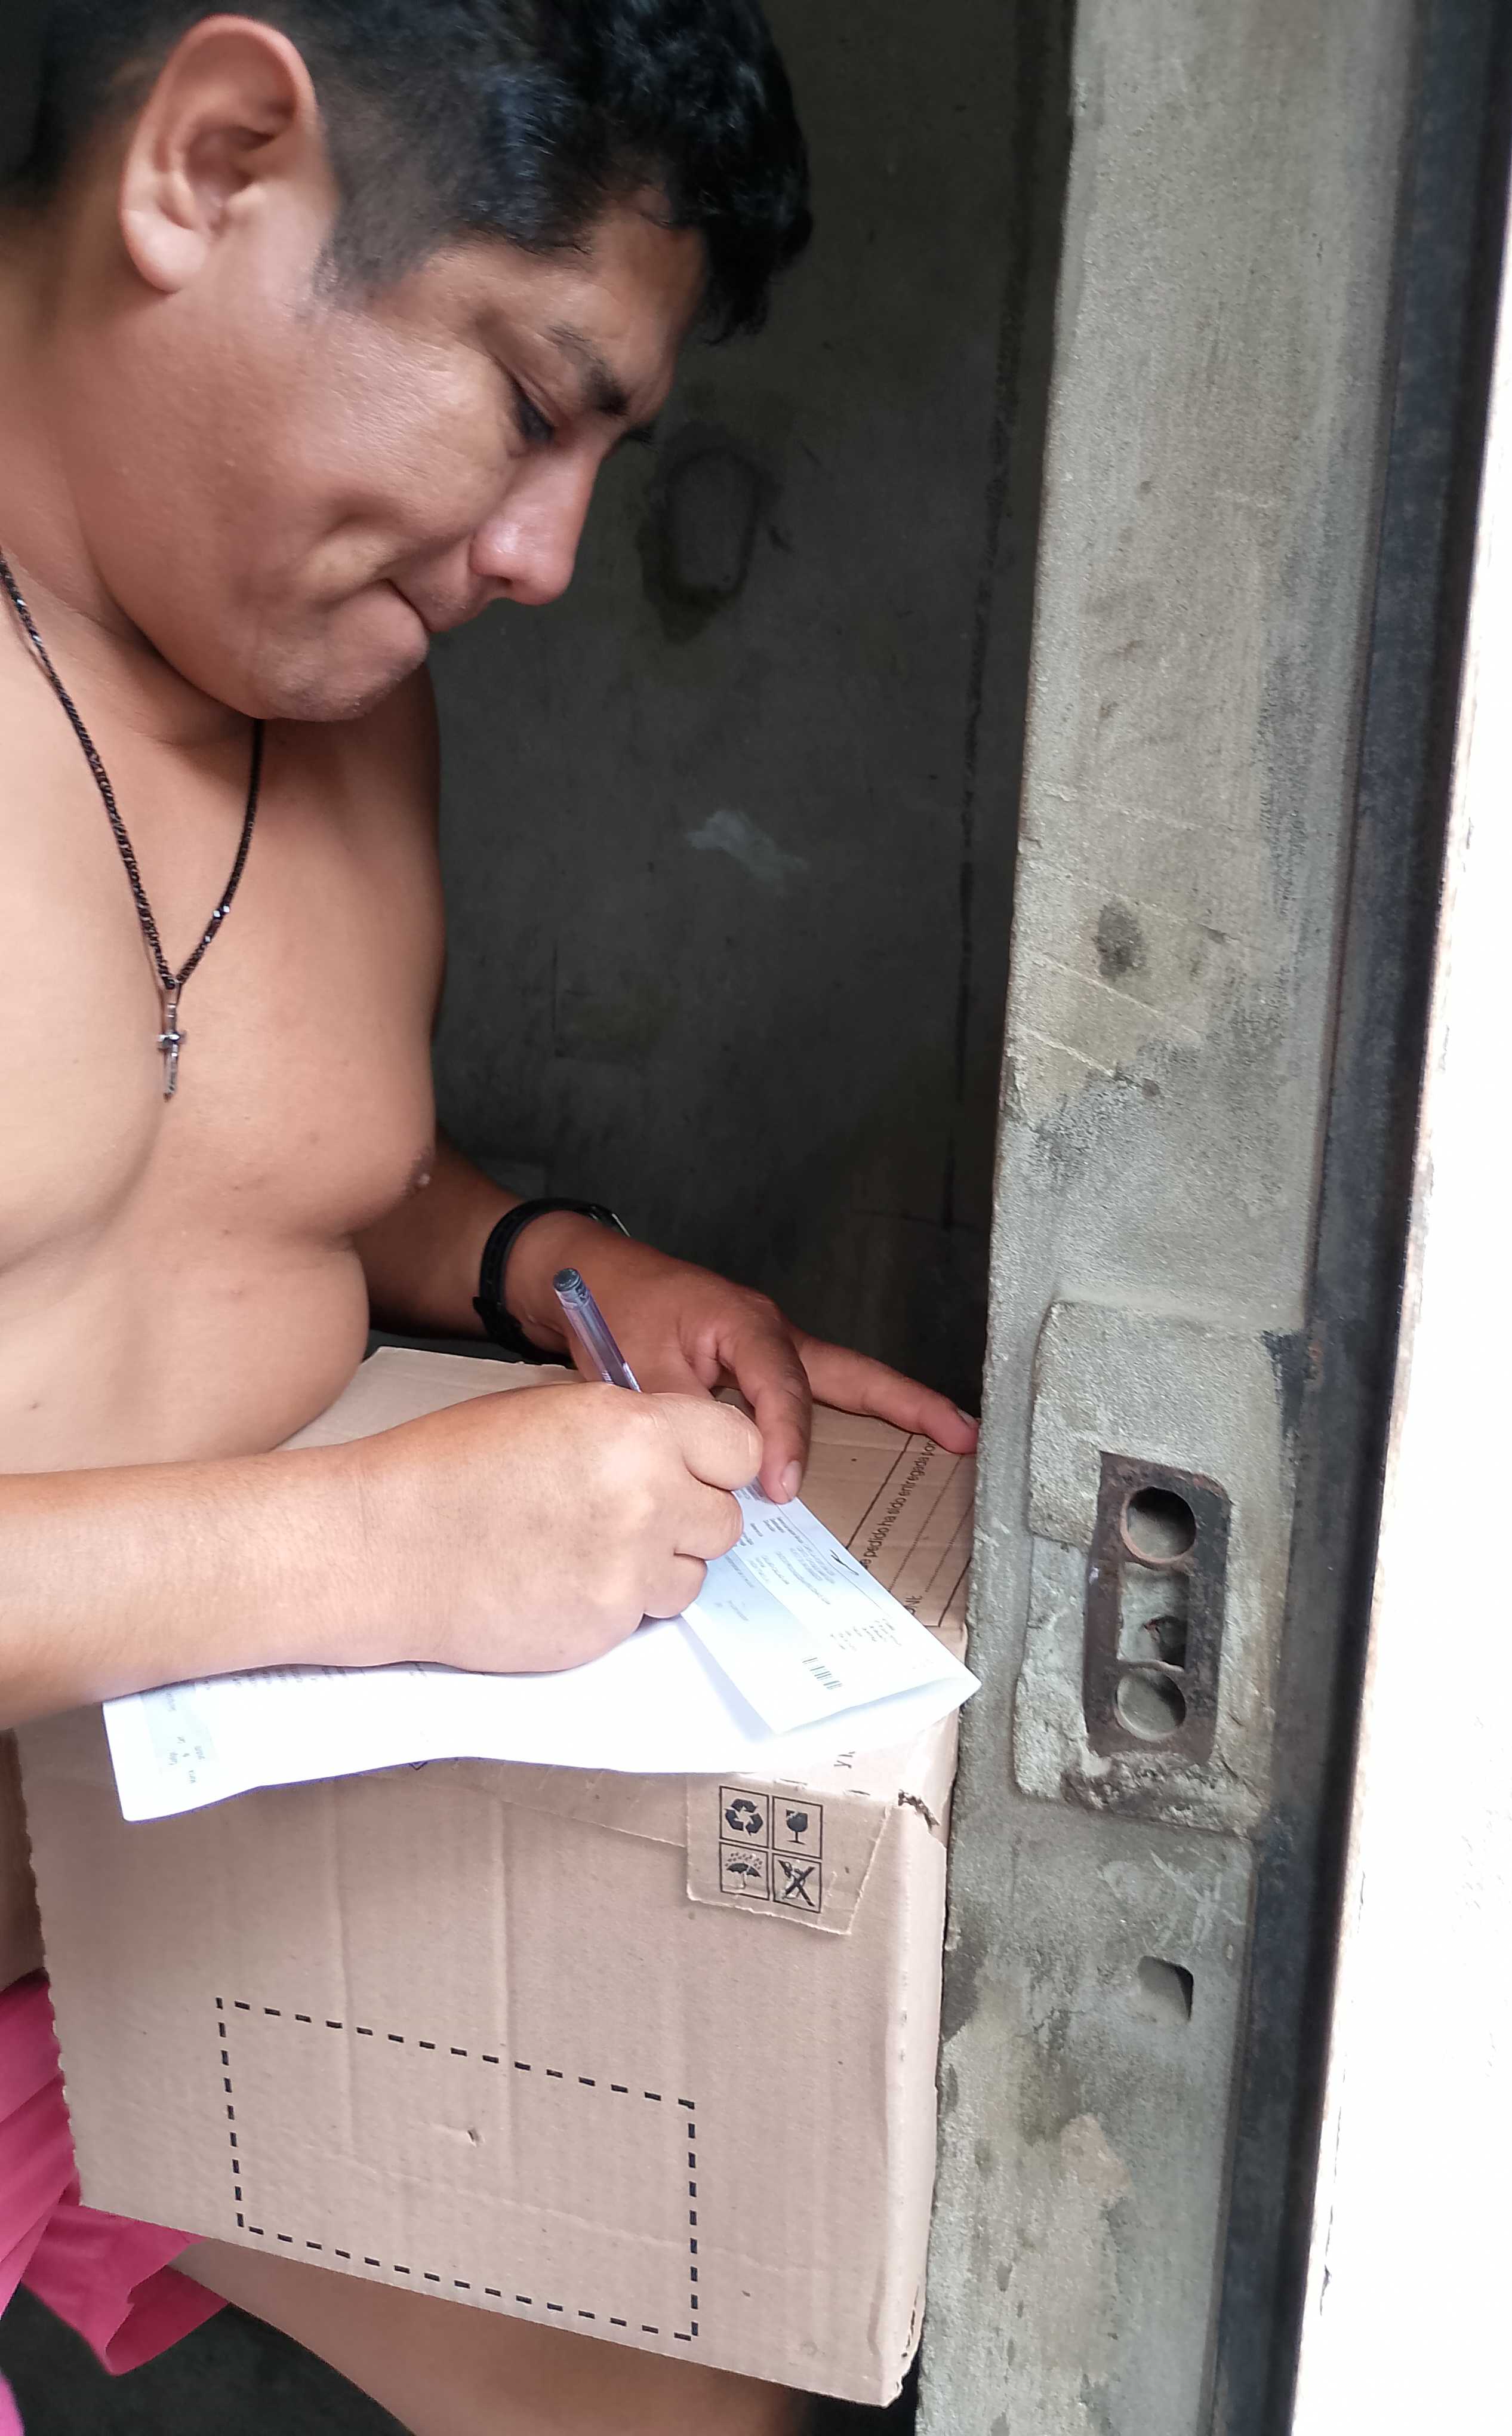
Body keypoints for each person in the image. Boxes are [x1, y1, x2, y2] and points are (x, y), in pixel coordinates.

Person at [0, 4, 977, 2429]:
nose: (543, 558)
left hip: (116, 1932)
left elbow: (244, 1165)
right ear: (214, 160)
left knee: (717, 2378)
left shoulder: (337, 683)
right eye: (531, 402)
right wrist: (389, 1550)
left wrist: (551, 1258)